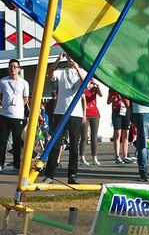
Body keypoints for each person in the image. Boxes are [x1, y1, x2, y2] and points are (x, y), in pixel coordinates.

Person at [42, 54, 87, 185]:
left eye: (72, 57)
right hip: (60, 112)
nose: (71, 59)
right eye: (69, 57)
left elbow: (85, 83)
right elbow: (49, 74)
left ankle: (72, 174)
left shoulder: (82, 72)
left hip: (76, 113)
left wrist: (77, 68)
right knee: (55, 144)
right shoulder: (61, 72)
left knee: (74, 145)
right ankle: (49, 174)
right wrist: (58, 60)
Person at [0, 59, 30, 173]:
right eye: (11, 66)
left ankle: (16, 164)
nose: (13, 68)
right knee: (2, 140)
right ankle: (0, 163)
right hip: (5, 114)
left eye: (15, 66)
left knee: (17, 141)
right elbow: (0, 95)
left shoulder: (24, 83)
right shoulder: (3, 81)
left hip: (18, 115)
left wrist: (18, 106)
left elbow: (25, 99)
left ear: (19, 69)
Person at [81, 81, 103, 165]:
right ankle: (82, 158)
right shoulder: (83, 88)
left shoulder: (94, 89)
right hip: (85, 114)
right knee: (84, 137)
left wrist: (97, 85)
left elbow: (101, 94)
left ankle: (94, 158)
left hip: (95, 114)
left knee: (94, 137)